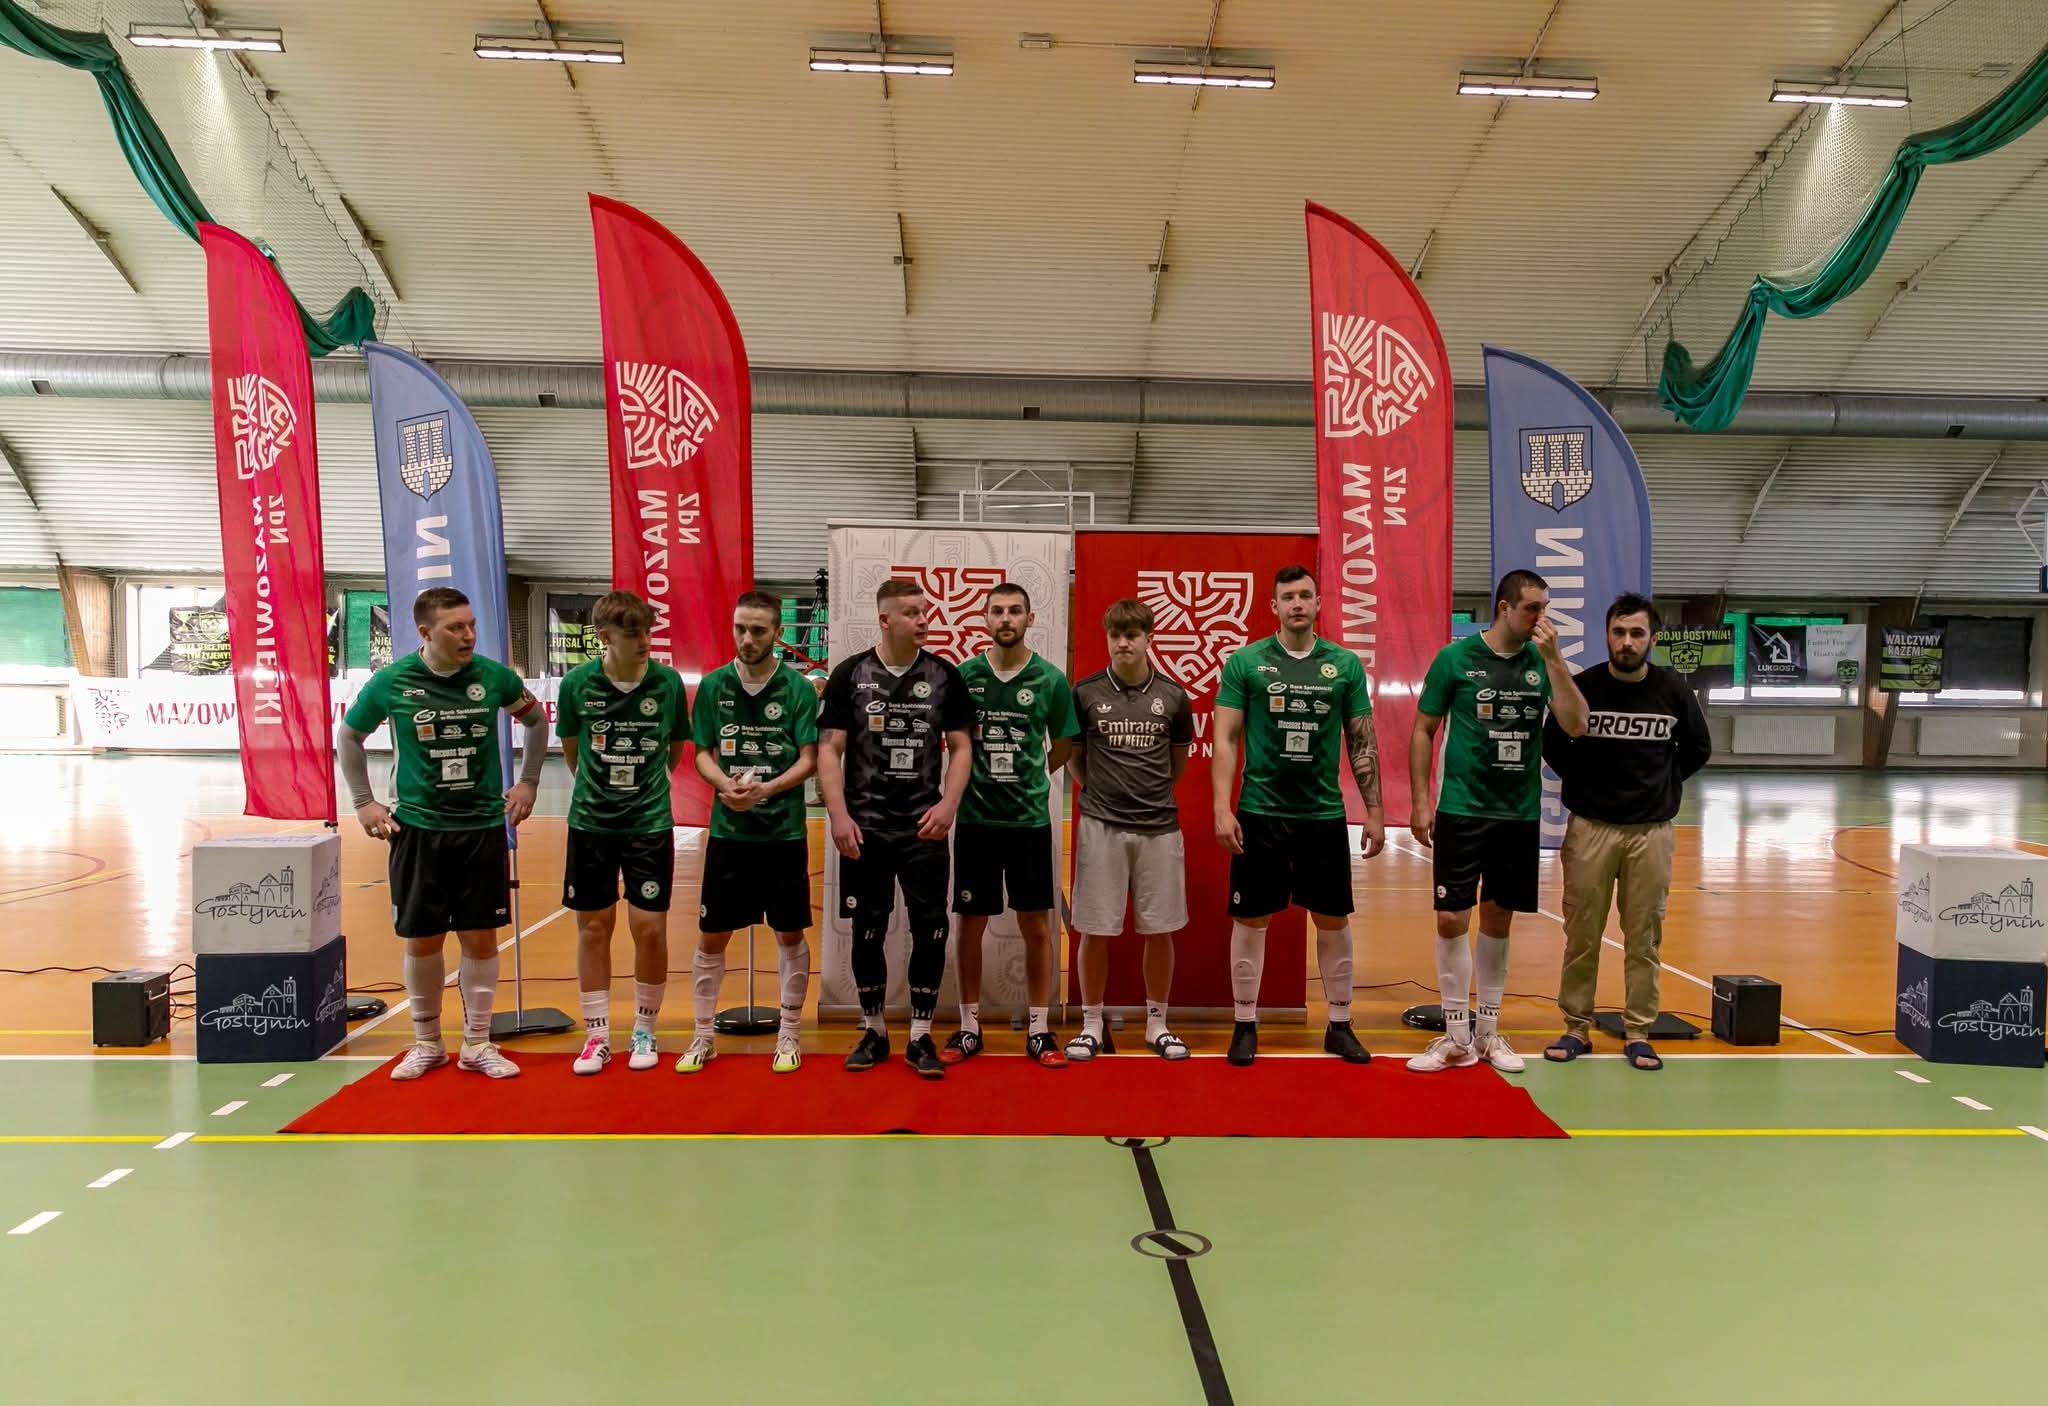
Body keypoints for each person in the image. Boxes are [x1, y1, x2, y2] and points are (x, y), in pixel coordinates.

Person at [338, 586, 548, 1081]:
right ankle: (427, 1043)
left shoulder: (494, 677)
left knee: (480, 938)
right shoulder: (392, 681)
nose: (469, 634)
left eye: (471, 625)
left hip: (480, 828)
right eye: (456, 627)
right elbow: (349, 736)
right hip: (418, 830)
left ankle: (478, 1044)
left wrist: (528, 781)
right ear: (426, 632)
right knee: (423, 940)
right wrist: (364, 802)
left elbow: (537, 722)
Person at [1407, 569, 1588, 1073]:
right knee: (1450, 918)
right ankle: (1455, 1036)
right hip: (1461, 808)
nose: (1540, 618)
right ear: (1504, 608)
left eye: (1544, 608)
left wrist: (1554, 660)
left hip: (1517, 814)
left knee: (1498, 918)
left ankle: (1487, 1033)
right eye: (1532, 608)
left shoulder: (1542, 661)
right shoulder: (1455, 659)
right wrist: (1420, 801)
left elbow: (1577, 724)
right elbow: (1423, 730)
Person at [1211, 565, 1385, 1067]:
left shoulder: (1344, 665)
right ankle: (1245, 1024)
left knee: (1332, 918)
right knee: (1252, 918)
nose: (1297, 604)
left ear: (1318, 602)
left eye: (1306, 595)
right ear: (1274, 606)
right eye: (1288, 597)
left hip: (1322, 814)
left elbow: (1362, 741)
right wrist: (1221, 807)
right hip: (1260, 811)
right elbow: (1225, 738)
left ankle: (1340, 1025)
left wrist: (1375, 810)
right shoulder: (1246, 662)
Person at [1541, 593, 1711, 1071]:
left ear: (1651, 639)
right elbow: (1553, 742)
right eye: (1619, 632)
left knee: (1644, 938)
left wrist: (1662, 785)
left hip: (1650, 833)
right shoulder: (1584, 686)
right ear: (1607, 636)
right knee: (1582, 934)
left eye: (1637, 633)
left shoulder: (1673, 689)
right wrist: (1585, 785)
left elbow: (1697, 748)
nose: (1627, 642)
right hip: (1590, 829)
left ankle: (1638, 1031)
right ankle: (1576, 1027)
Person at [817, 577, 973, 1078]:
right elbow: (829, 750)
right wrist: (839, 815)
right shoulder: (851, 674)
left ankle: (921, 1037)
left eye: (925, 611)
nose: (923, 619)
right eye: (912, 612)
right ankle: (874, 1031)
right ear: (885, 620)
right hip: (865, 829)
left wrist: (948, 805)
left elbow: (962, 747)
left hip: (924, 829)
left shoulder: (944, 676)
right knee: (868, 929)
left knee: (930, 930)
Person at [554, 591, 690, 1076]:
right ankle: (596, 1036)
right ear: (604, 636)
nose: (644, 641)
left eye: (648, 631)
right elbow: (573, 753)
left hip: (649, 823)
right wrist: (600, 790)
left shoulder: (667, 682)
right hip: (591, 824)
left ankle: (645, 1029)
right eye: (633, 634)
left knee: (649, 928)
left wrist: (648, 786)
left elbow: (675, 747)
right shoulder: (576, 685)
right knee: (594, 928)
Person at [686, 591, 821, 1074]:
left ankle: (789, 1034)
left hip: (782, 834)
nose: (747, 638)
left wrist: (766, 790)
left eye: (758, 630)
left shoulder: (798, 689)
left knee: (789, 933)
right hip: (729, 833)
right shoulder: (713, 685)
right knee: (712, 936)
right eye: (740, 628)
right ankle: (703, 1036)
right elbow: (701, 753)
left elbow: (809, 759)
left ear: (778, 633)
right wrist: (726, 785)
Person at [947, 583, 1081, 1067]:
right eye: (998, 611)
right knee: (970, 924)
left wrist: (1031, 773)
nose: (1006, 618)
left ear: (1030, 619)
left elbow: (1064, 744)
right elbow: (954, 741)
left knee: (1036, 926)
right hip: (976, 819)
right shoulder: (965, 676)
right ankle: (969, 1027)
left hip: (1028, 821)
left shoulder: (1050, 679)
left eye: (1015, 611)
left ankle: (1040, 1030)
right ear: (985, 618)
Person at [1065, 597, 1195, 1062]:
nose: (1123, 643)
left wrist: (1144, 796)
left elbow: (1176, 765)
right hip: (1101, 826)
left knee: (1160, 930)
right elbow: (1076, 761)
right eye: (1116, 635)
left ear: (1148, 639)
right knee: (1093, 930)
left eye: (1132, 635)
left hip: (1159, 827)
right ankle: (1091, 1024)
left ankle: (1157, 1023)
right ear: (1107, 638)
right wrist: (1105, 795)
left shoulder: (1174, 697)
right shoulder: (1084, 693)